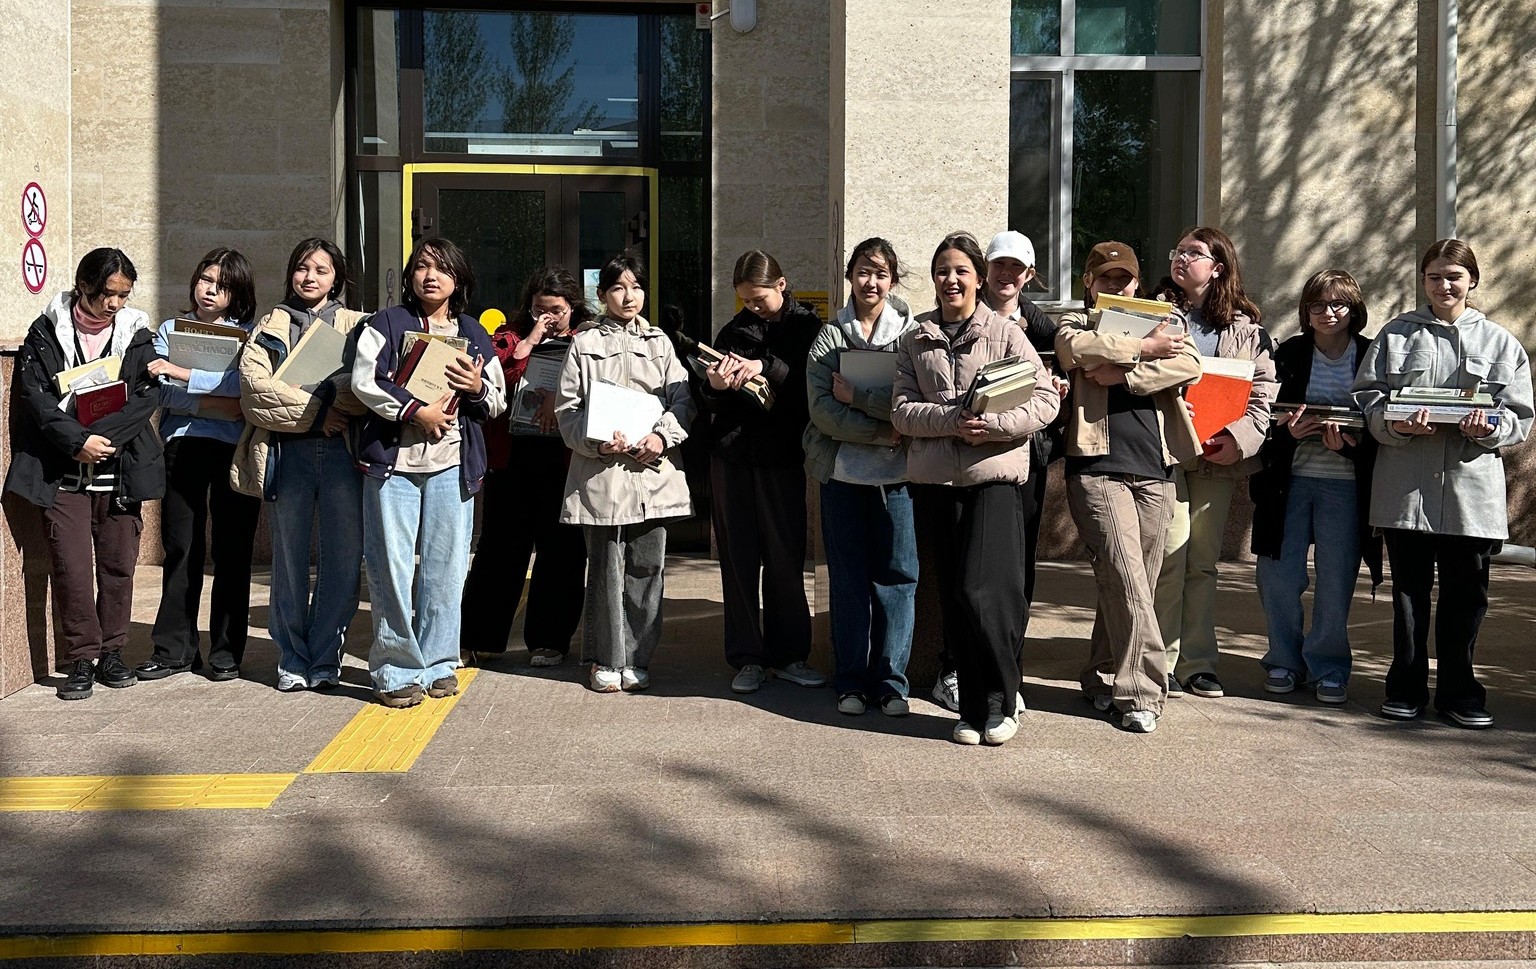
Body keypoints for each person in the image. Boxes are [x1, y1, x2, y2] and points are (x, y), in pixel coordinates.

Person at [1354, 239, 1532, 729]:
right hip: (1406, 490)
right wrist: (1395, 424)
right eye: (1434, 276)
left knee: (1466, 598)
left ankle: (1460, 693)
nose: (1444, 285)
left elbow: (1519, 416)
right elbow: (1368, 399)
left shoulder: (1500, 343)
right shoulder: (1396, 335)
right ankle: (1405, 689)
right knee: (1409, 596)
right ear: (1424, 281)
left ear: (1472, 281)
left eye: (1454, 276)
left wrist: (1489, 428)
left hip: (1469, 492)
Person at [892, 232, 1060, 746]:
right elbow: (901, 411)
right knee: (956, 598)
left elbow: (1045, 401)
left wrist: (995, 427)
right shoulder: (916, 337)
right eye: (942, 270)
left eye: (961, 270)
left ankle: (1001, 701)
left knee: (983, 592)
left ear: (978, 278)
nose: (951, 279)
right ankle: (969, 709)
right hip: (937, 484)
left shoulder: (1005, 333)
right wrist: (951, 420)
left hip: (993, 481)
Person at [1055, 241, 1201, 733]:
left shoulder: (1166, 320)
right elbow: (1075, 352)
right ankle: (1142, 692)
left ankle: (1101, 675)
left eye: (1125, 278)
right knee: (1126, 574)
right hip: (1097, 467)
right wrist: (1146, 348)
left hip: (1156, 467)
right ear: (1089, 283)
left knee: (1131, 582)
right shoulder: (1076, 322)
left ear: (1137, 282)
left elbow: (1190, 365)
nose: (1116, 285)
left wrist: (1123, 373)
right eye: (1106, 278)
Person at [353, 236, 505, 707]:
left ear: (459, 279)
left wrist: (477, 386)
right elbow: (364, 381)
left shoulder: (474, 332)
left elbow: (497, 400)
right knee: (392, 569)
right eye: (421, 266)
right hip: (393, 465)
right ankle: (396, 669)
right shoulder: (386, 323)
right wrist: (415, 411)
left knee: (447, 567)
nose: (430, 276)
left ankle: (439, 662)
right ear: (409, 276)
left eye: (442, 268)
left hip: (453, 465)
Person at [6, 248, 163, 700]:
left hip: (120, 467)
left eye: (123, 295)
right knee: (72, 568)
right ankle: (81, 658)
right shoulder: (45, 331)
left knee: (118, 566)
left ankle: (112, 652)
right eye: (107, 294)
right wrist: (77, 441)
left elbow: (145, 398)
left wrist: (98, 439)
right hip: (62, 472)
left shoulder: (136, 333)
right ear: (84, 287)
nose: (115, 304)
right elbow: (36, 400)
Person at [554, 253, 695, 693]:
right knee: (605, 570)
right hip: (603, 474)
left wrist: (662, 437)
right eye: (618, 288)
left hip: (652, 474)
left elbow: (683, 401)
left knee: (648, 568)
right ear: (602, 295)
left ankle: (637, 658)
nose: (628, 296)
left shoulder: (660, 343)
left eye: (636, 287)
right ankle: (606, 658)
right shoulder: (584, 343)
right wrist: (596, 443)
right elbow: (567, 410)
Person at [236, 238, 370, 692]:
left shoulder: (359, 326)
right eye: (302, 268)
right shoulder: (270, 324)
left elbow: (366, 389)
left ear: (337, 279)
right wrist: (319, 412)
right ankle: (292, 658)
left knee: (343, 559)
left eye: (321, 270)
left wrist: (319, 396)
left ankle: (326, 657)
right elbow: (255, 392)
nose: (309, 277)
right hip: (286, 452)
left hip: (344, 454)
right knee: (289, 559)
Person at [1151, 226, 1277, 699]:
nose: (1181, 258)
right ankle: (1159, 662)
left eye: (1194, 253)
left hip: (1218, 457)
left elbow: (1263, 396)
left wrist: (1239, 440)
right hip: (1166, 453)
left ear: (1218, 267)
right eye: (1178, 251)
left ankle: (1197, 664)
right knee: (1170, 555)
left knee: (1202, 562)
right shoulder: (1154, 317)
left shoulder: (1249, 331)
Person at [1251, 270, 1381, 705]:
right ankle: (1284, 660)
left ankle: (1329, 667)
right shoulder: (1288, 352)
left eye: (1338, 304)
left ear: (1354, 309)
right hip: (1287, 484)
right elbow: (1262, 416)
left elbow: (1382, 427)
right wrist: (1289, 432)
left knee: (1336, 580)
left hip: (1345, 485)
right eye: (1318, 304)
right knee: (1278, 578)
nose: (1328, 312)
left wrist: (1349, 446)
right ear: (1305, 311)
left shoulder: (1371, 355)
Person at [699, 250, 825, 696]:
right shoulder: (734, 330)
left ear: (781, 285)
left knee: (785, 558)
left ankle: (790, 655)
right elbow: (710, 401)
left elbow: (811, 385)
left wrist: (764, 366)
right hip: (732, 455)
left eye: (759, 299)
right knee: (738, 559)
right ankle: (748, 657)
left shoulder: (807, 328)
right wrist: (716, 385)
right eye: (745, 300)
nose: (753, 307)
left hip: (782, 456)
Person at [804, 237, 920, 717]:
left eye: (881, 274)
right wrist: (885, 430)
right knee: (849, 581)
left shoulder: (912, 335)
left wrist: (863, 401)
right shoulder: (830, 337)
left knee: (898, 580)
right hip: (843, 478)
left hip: (899, 480)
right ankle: (850, 681)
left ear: (892, 281)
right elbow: (822, 411)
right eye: (863, 272)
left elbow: (917, 400)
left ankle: (891, 683)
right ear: (850, 276)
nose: (871, 282)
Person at [136, 248, 262, 683]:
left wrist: (185, 375)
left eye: (222, 285)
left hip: (234, 451)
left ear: (237, 293)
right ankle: (174, 650)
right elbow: (158, 389)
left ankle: (226, 651)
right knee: (181, 548)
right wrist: (214, 404)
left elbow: (245, 389)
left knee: (233, 551)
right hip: (183, 446)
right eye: (206, 279)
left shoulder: (248, 336)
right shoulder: (170, 330)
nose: (211, 290)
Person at [460, 267, 591, 667]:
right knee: (500, 549)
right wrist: (532, 339)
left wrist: (559, 397)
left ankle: (550, 639)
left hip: (563, 458)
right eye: (539, 310)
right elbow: (498, 379)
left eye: (556, 311)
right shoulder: (509, 337)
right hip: (512, 457)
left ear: (573, 307)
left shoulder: (587, 339)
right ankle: (478, 636)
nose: (547, 318)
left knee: (561, 550)